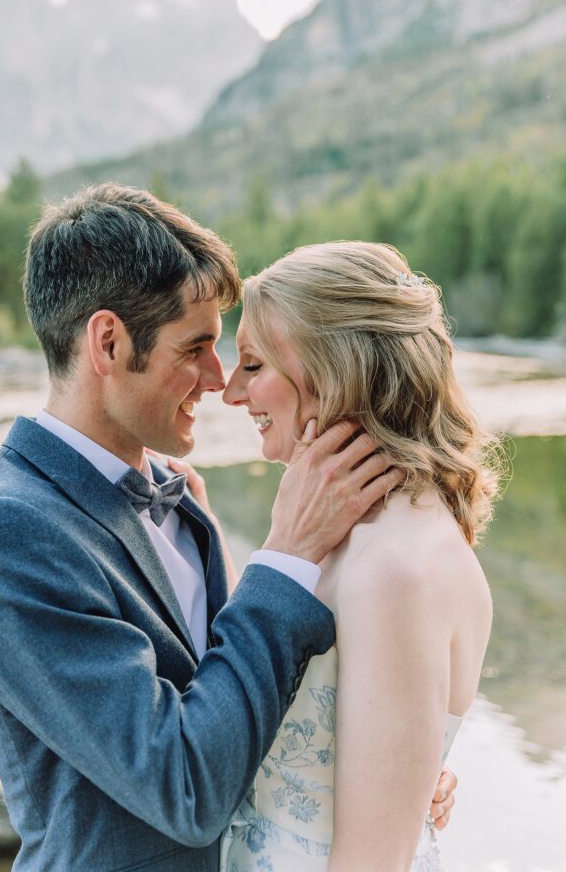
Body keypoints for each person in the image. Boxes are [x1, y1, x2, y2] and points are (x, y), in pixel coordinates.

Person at [0, 185, 426, 872]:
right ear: (108, 342)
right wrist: (284, 559)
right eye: (194, 348)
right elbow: (186, 789)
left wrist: (383, 772)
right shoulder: (2, 536)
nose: (218, 379)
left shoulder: (178, 494)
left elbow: (233, 709)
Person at [221, 241, 495, 872]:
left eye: (253, 365)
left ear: (332, 371)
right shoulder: (339, 532)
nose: (232, 392)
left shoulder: (397, 569)